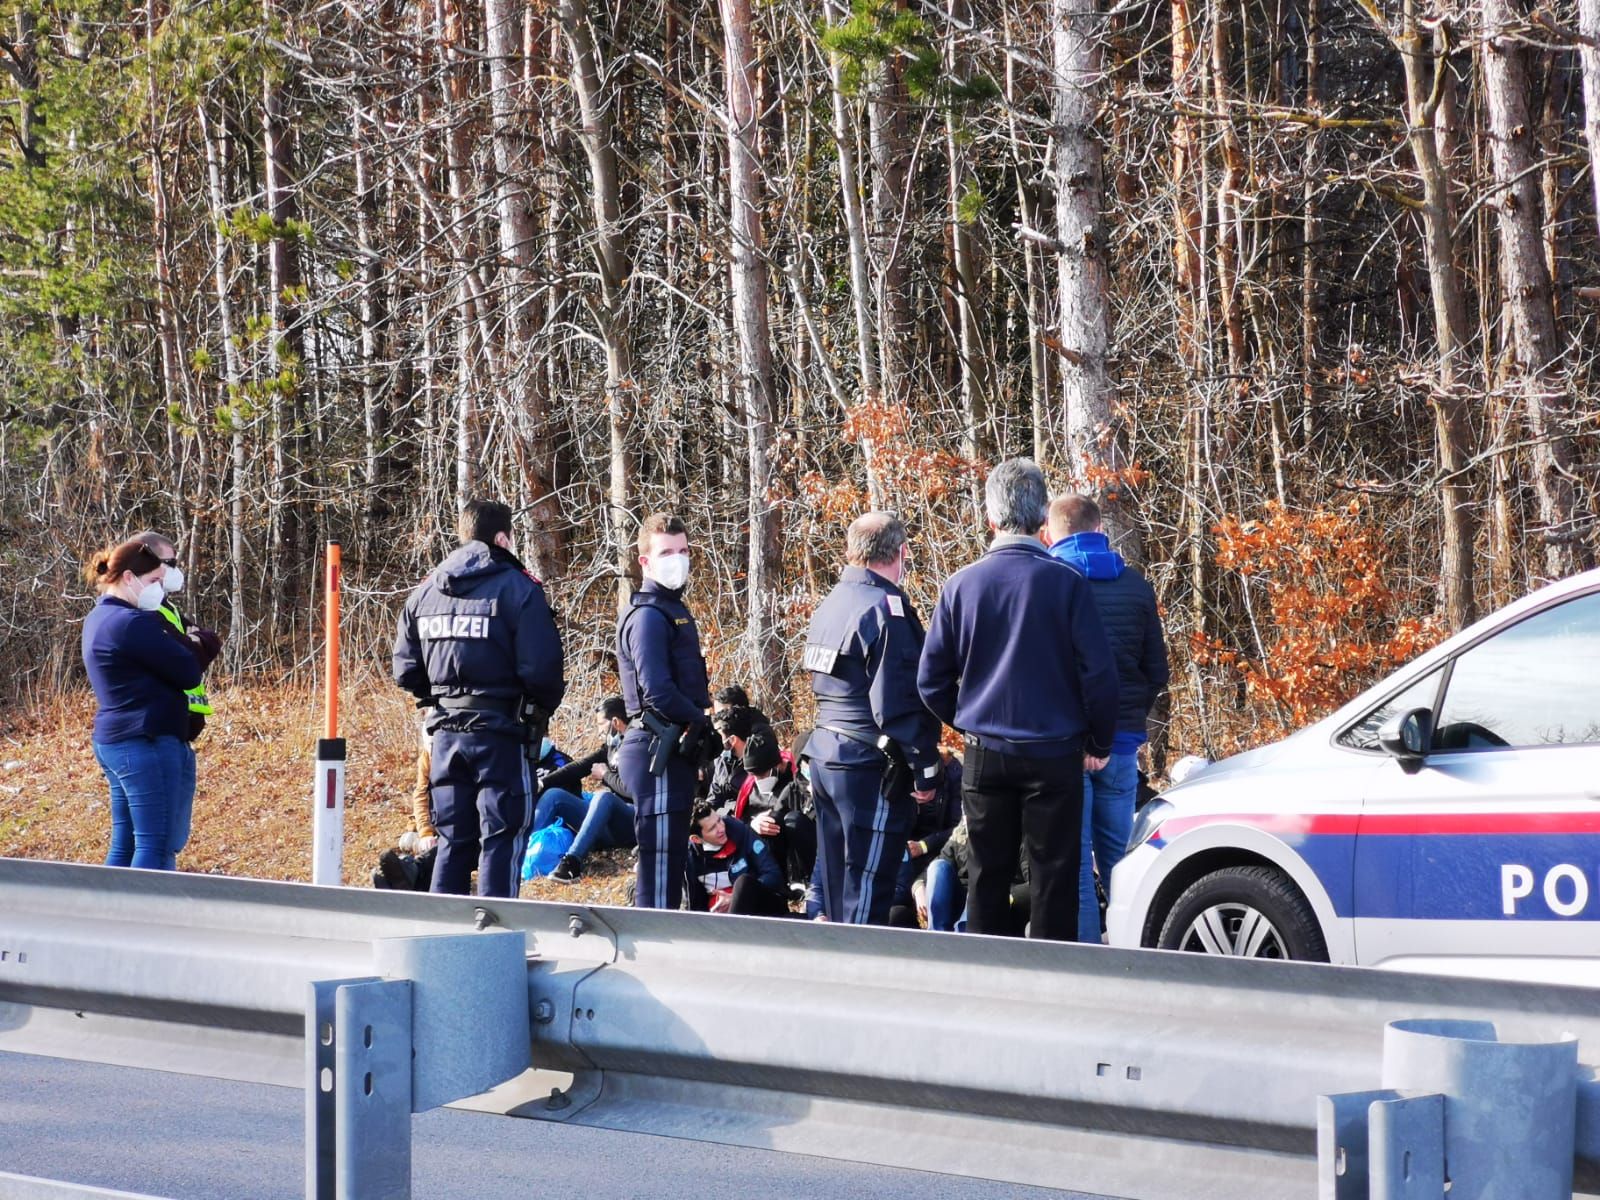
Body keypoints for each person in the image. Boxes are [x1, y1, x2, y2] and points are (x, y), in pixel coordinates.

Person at [917, 459, 1120, 941]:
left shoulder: (961, 585)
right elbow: (1099, 674)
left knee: (986, 875)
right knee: (1054, 878)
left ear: (990, 517)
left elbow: (930, 680)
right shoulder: (1067, 582)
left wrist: (968, 720)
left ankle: (989, 973)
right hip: (1055, 751)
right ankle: (1049, 974)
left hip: (986, 751)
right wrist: (1099, 740)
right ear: (1043, 516)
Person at [393, 499, 566, 898]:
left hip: (444, 735)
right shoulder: (519, 589)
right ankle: (497, 930)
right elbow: (542, 672)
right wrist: (534, 710)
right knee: (502, 839)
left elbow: (405, 669)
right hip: (501, 732)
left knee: (452, 841)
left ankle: (443, 930)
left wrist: (441, 696)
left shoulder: (426, 591)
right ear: (503, 538)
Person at [803, 512, 943, 925]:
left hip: (826, 754)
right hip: (869, 764)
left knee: (837, 885)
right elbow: (897, 703)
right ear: (901, 552)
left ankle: (837, 959)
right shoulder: (885, 610)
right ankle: (856, 965)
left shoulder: (830, 604)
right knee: (867, 889)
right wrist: (925, 769)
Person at [1047, 494, 1171, 943]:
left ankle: (1086, 960)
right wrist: (1128, 716)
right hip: (1120, 742)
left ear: (1051, 534)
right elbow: (1156, 670)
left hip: (1065, 743)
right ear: (1100, 530)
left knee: (1076, 864)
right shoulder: (1136, 585)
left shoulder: (1049, 582)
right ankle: (1131, 952)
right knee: (1121, 860)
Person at [81, 538, 207, 870]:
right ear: (128, 578)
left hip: (118, 739)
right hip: (146, 740)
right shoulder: (131, 623)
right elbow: (188, 670)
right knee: (157, 845)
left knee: (125, 845)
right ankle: (151, 905)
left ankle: (109, 904)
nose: (158, 591)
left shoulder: (100, 617)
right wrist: (193, 641)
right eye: (153, 581)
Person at [616, 513, 711, 910]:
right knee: (658, 871)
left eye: (683, 551)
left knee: (670, 867)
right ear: (645, 561)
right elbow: (656, 691)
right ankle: (651, 944)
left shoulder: (671, 609)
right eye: (667, 553)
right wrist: (701, 721)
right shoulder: (649, 616)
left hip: (673, 747)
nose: (678, 560)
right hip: (657, 745)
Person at [129, 530, 223, 866]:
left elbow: (208, 639)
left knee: (149, 841)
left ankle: (122, 896)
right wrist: (194, 643)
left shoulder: (164, 606)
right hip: (159, 735)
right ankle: (150, 897)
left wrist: (198, 642)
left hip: (179, 730)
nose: (174, 570)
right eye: (168, 563)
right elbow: (189, 657)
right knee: (158, 842)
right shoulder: (143, 611)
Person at [537, 696, 637, 883]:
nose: (599, 730)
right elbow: (578, 767)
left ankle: (572, 863)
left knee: (603, 797)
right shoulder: (611, 747)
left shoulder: (636, 746)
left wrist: (606, 776)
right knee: (554, 795)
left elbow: (636, 791)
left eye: (601, 724)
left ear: (615, 722)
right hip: (605, 823)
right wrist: (543, 782)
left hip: (631, 822)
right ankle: (517, 849)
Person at [685, 799, 788, 916]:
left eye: (719, 820)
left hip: (761, 906)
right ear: (696, 839)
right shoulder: (689, 857)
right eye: (712, 828)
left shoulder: (739, 830)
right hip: (718, 918)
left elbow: (774, 875)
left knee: (743, 883)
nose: (721, 828)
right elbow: (694, 905)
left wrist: (735, 897)